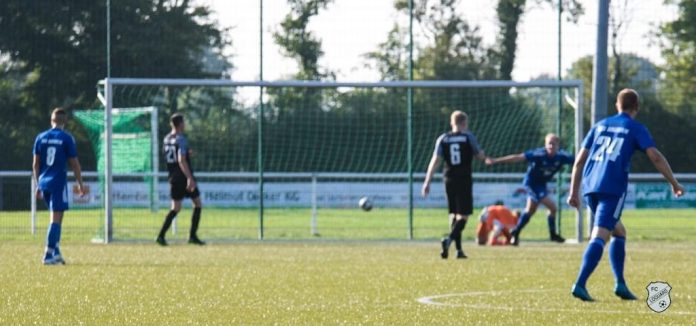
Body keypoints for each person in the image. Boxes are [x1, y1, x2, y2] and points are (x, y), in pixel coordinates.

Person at [567, 89, 684, 302]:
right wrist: (673, 183)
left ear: (617, 105)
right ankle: (580, 283)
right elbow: (655, 157)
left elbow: (578, 161)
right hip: (612, 189)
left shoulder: (599, 126)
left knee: (618, 231)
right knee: (600, 235)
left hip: (590, 186)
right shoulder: (635, 127)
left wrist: (573, 192)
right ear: (636, 107)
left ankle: (620, 284)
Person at [486, 133, 574, 245]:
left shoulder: (562, 156)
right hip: (531, 183)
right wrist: (496, 161)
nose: (551, 146)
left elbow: (579, 160)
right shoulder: (538, 154)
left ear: (558, 145)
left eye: (554, 144)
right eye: (549, 144)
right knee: (552, 207)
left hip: (541, 185)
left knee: (530, 211)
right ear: (545, 144)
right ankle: (552, 235)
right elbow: (517, 157)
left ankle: (515, 232)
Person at [422, 110, 488, 259]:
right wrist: (484, 156)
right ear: (464, 123)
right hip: (463, 178)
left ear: (452, 123)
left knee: (454, 214)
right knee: (463, 216)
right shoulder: (468, 137)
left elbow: (435, 160)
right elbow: (479, 155)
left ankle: (458, 250)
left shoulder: (443, 139)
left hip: (449, 179)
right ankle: (449, 240)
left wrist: (427, 181)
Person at [32, 108, 86, 265]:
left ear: (51, 120)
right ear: (65, 121)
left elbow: (36, 164)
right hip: (57, 183)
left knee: (57, 218)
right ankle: (48, 255)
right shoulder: (66, 138)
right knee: (55, 220)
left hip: (44, 182)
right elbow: (74, 164)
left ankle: (56, 252)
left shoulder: (40, 137)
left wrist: (38, 185)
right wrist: (80, 184)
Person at [156, 113, 205, 246]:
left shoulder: (166, 139)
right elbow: (181, 160)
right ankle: (192, 236)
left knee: (176, 208)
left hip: (173, 177)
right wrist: (190, 178)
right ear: (180, 124)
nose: (185, 124)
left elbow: (169, 156)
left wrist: (186, 152)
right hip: (184, 176)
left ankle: (161, 236)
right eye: (184, 122)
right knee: (198, 204)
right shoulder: (181, 139)